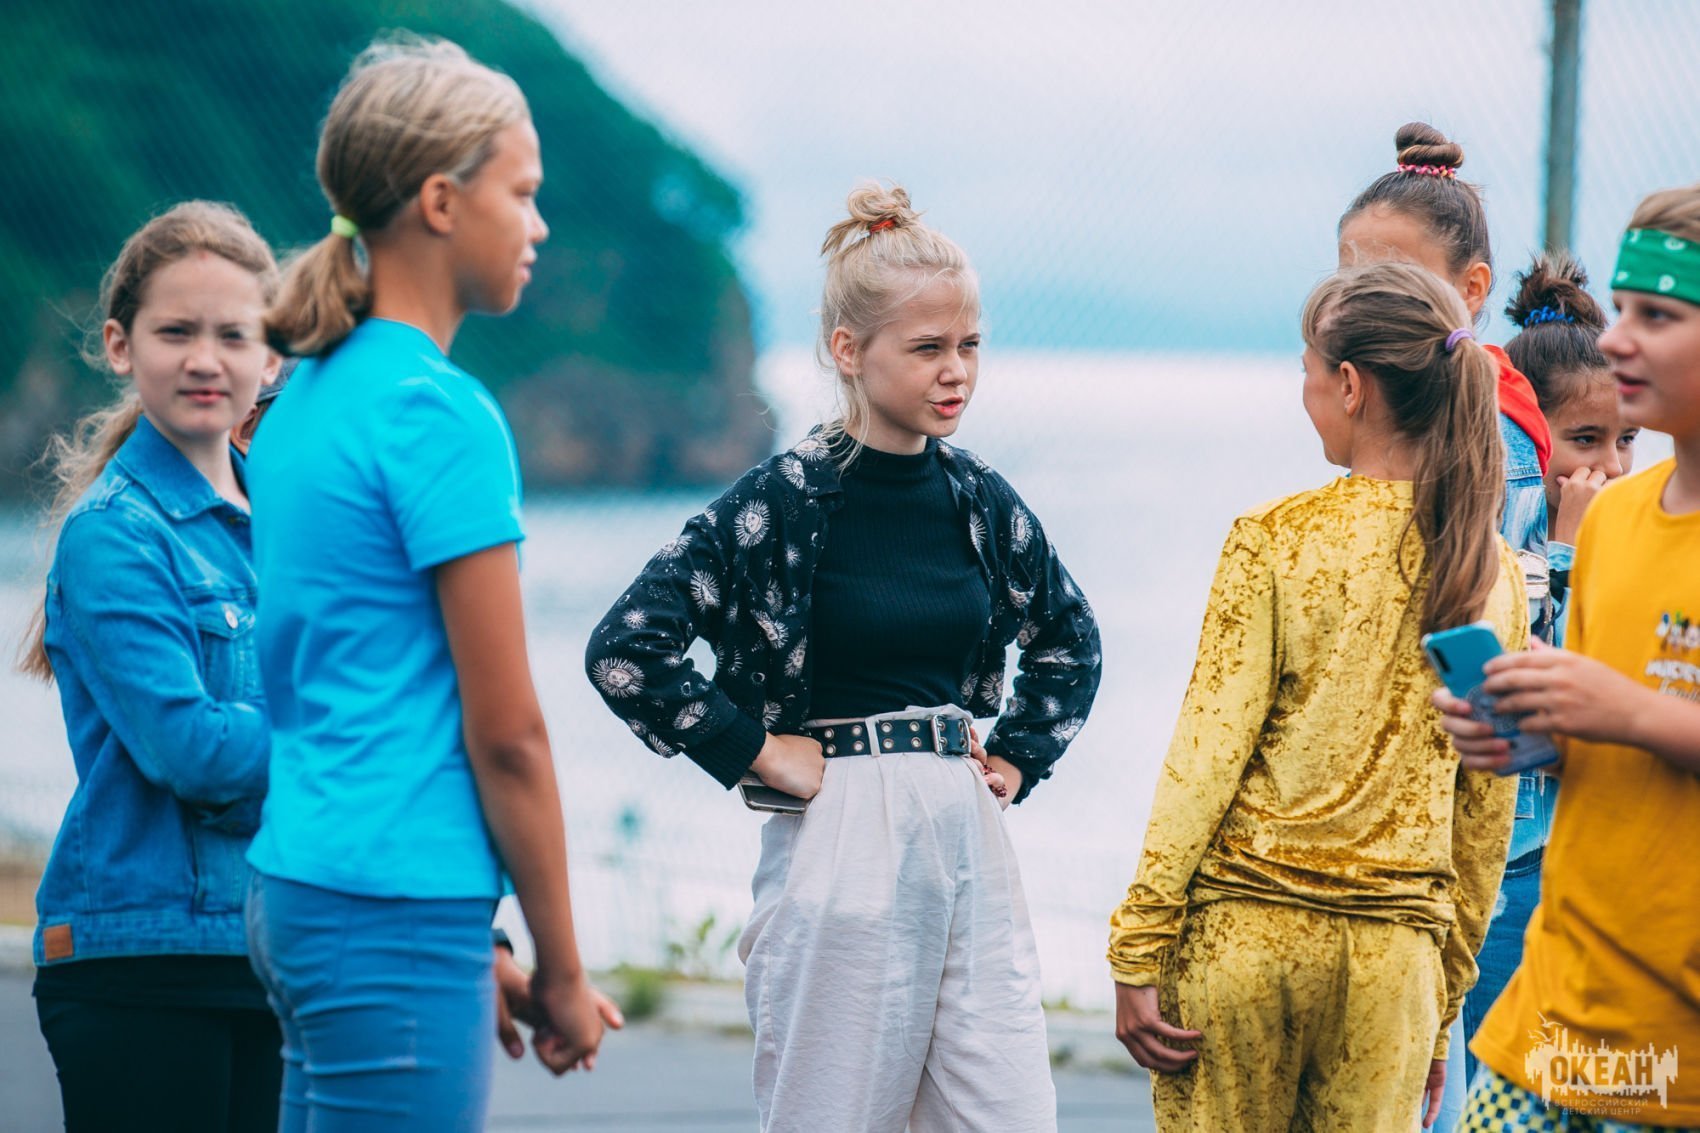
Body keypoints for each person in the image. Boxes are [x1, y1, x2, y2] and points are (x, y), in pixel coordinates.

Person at [585, 182, 1101, 1133]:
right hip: (839, 831)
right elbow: (626, 648)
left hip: (967, 828)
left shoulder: (980, 498)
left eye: (970, 345)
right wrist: (754, 750)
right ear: (848, 350)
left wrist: (1020, 755)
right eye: (928, 347)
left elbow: (1071, 639)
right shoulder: (779, 499)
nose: (956, 371)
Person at [245, 36, 617, 1133]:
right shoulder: (436, 413)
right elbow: (509, 735)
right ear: (442, 202)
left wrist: (481, 941)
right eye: (523, 192)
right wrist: (561, 966)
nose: (538, 225)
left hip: (300, 886)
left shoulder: (302, 395)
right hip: (394, 904)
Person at [1109, 261, 1523, 1131]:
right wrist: (1441, 1002)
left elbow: (1204, 758)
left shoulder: (1274, 539)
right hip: (1393, 967)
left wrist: (1138, 945)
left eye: (1306, 370)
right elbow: (1485, 809)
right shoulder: (1497, 574)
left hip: (1243, 942)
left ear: (1350, 384)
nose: (1303, 392)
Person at [1441, 187, 1700, 1131]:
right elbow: (1601, 743)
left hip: (1672, 1052)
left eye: (1657, 316)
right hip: (1549, 1018)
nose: (1618, 338)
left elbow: (1634, 716)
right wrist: (1526, 734)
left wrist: (1626, 710)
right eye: (1621, 308)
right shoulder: (1615, 520)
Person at [24, 201, 282, 1132]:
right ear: (120, 345)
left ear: (272, 357)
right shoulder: (113, 536)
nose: (206, 358)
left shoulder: (289, 521)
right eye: (176, 331)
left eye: (233, 334)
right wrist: (355, 741)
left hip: (271, 950)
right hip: (143, 965)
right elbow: (193, 752)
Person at [1335, 126, 1555, 1128]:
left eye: (1391, 275)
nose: (1360, 298)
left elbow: (1471, 618)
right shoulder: (1404, 418)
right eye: (1348, 275)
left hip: (1468, 811)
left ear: (1470, 291)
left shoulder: (1488, 432)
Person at [1443, 253, 1643, 1099]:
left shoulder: (1633, 534)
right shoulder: (1496, 538)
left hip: (1582, 858)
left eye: (1627, 438)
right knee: (1497, 1076)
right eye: (1585, 439)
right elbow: (1521, 679)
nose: (1613, 465)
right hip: (1507, 865)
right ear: (1527, 438)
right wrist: (1563, 552)